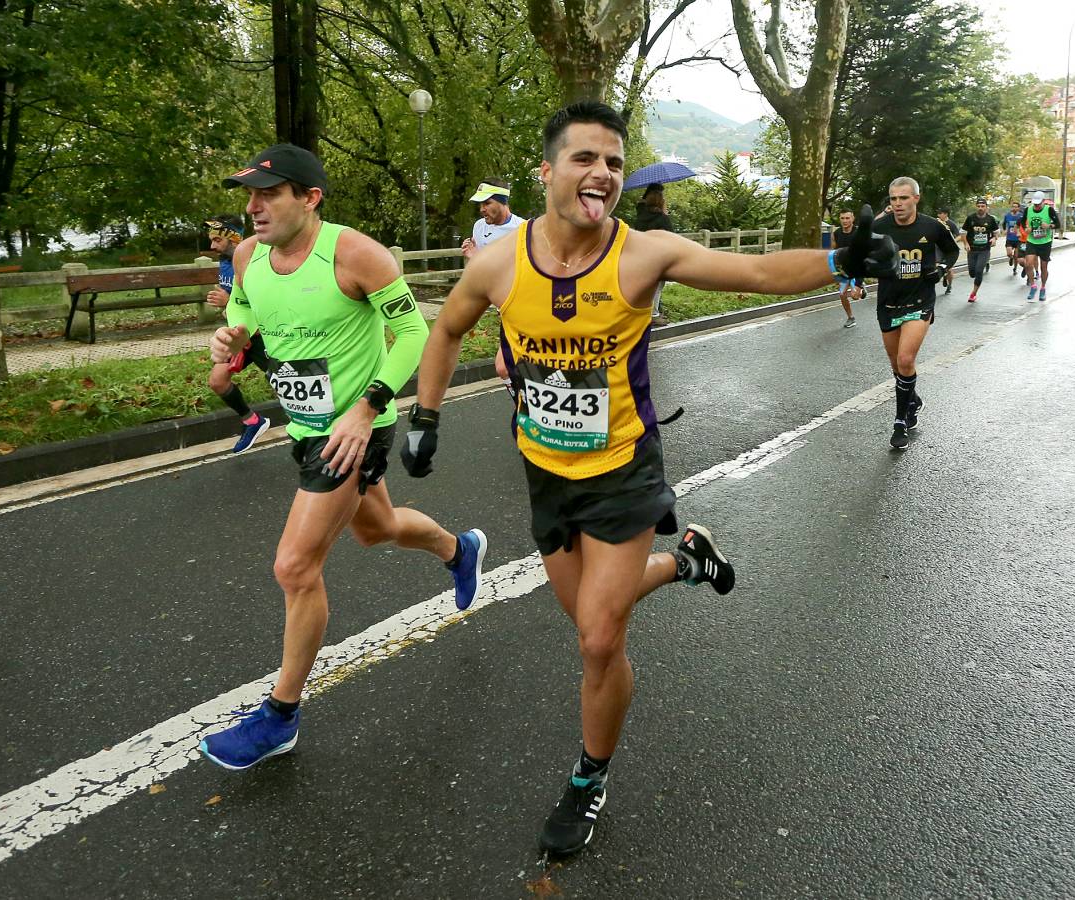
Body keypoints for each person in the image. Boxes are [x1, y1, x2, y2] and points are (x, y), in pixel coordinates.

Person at [400, 101, 895, 856]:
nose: (601, 172)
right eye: (584, 158)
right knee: (588, 619)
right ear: (547, 172)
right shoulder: (498, 262)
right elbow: (446, 330)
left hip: (625, 468)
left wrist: (841, 260)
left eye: (613, 162)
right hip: (545, 470)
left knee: (599, 640)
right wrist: (426, 416)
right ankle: (690, 559)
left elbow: (756, 272)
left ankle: (588, 778)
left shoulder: (644, 253)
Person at [198, 144, 488, 771]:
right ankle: (458, 549)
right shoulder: (248, 258)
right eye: (249, 196)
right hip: (305, 425)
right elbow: (247, 320)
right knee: (377, 529)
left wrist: (369, 405)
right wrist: (231, 338)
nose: (252, 208)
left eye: (268, 194)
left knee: (295, 566)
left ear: (310, 198)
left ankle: (280, 716)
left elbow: (414, 331)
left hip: (355, 430)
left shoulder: (356, 254)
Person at [871, 178, 958, 449]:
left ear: (916, 199)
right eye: (893, 199)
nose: (898, 204)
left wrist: (942, 268)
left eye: (904, 198)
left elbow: (953, 251)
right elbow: (862, 255)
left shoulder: (932, 226)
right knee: (897, 365)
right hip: (888, 302)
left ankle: (900, 422)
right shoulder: (879, 227)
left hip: (920, 301)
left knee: (906, 359)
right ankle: (913, 399)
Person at [203, 215, 272, 453]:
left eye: (216, 239)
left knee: (287, 385)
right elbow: (236, 304)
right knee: (217, 381)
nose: (212, 246)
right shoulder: (224, 262)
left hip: (264, 336)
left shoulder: (255, 259)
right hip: (239, 338)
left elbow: (268, 301)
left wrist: (227, 300)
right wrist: (226, 305)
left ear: (232, 236)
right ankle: (253, 421)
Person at [462, 180, 527, 393]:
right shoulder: (479, 228)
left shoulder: (523, 229)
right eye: (479, 204)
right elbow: (480, 271)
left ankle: (528, 412)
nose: (482, 209)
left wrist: (479, 258)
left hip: (526, 309)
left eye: (487, 203)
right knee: (505, 369)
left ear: (503, 201)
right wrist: (472, 257)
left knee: (505, 367)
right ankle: (526, 410)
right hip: (503, 310)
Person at [631, 183, 675, 326]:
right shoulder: (662, 219)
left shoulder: (641, 215)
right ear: (661, 201)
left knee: (644, 286)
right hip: (658, 257)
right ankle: (653, 314)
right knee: (657, 287)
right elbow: (671, 238)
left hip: (641, 256)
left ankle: (641, 313)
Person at [1021, 191, 1062, 302]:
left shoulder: (1049, 210)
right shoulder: (1028, 210)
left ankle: (1043, 287)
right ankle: (1033, 286)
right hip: (1032, 241)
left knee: (1044, 267)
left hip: (1045, 242)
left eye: (1039, 204)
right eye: (1035, 204)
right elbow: (1022, 222)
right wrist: (1026, 229)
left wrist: (1049, 226)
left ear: (1043, 201)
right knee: (1028, 263)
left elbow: (1058, 224)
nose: (1037, 206)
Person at [959, 198, 998, 303]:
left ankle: (973, 294)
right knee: (972, 273)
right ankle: (979, 269)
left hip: (985, 249)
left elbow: (996, 232)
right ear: (976, 207)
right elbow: (963, 232)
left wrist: (994, 239)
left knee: (979, 271)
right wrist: (966, 243)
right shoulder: (970, 218)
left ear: (986, 207)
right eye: (979, 206)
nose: (980, 208)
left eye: (982, 206)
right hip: (972, 249)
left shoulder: (991, 219)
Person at [831, 209, 863, 326]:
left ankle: (860, 288)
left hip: (858, 268)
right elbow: (833, 253)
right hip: (843, 270)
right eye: (842, 218)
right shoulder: (836, 234)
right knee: (842, 294)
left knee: (855, 296)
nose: (845, 221)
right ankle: (851, 317)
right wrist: (834, 271)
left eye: (847, 218)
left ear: (853, 219)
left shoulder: (859, 232)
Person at [935, 208, 960, 294]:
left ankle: (949, 285)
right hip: (938, 249)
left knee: (948, 269)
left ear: (946, 214)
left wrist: (953, 241)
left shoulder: (951, 224)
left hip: (949, 250)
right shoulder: (936, 222)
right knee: (937, 265)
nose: (938, 215)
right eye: (938, 214)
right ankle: (943, 275)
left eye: (940, 213)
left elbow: (959, 236)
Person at [1001, 200, 1024, 276]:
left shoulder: (1021, 216)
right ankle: (1010, 258)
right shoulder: (1007, 215)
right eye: (1013, 207)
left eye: (1016, 207)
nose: (1014, 208)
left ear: (1018, 208)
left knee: (1017, 256)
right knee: (1009, 253)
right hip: (1010, 238)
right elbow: (1004, 224)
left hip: (1018, 239)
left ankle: (1015, 269)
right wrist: (1004, 230)